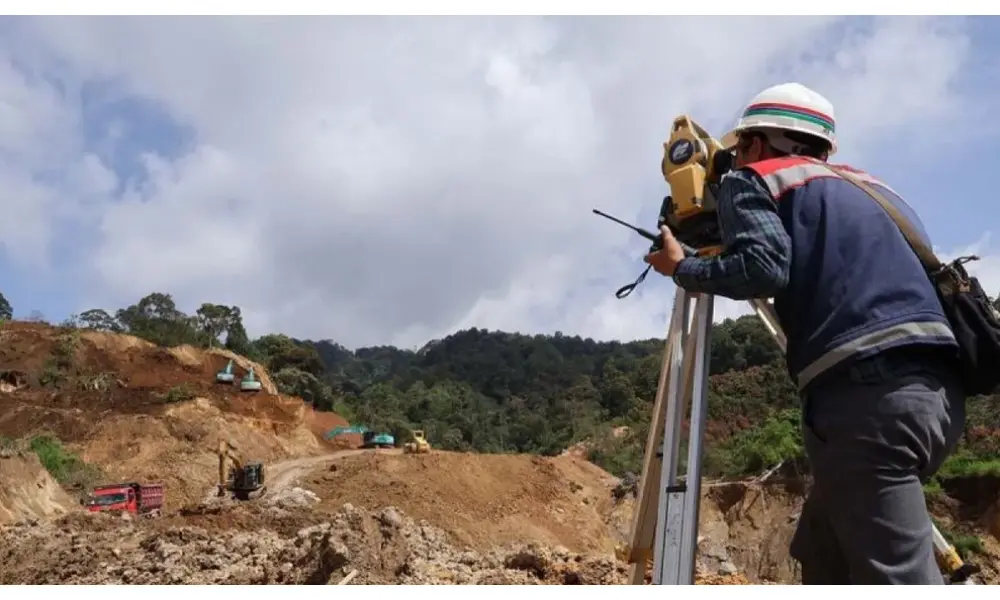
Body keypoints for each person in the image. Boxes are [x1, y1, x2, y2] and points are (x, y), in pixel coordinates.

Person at [643, 82, 966, 585]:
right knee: (823, 550)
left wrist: (683, 266)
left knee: (898, 579)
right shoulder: (872, 190)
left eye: (737, 153)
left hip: (868, 402)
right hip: (938, 399)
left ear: (753, 144)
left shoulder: (754, 179)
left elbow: (764, 266)